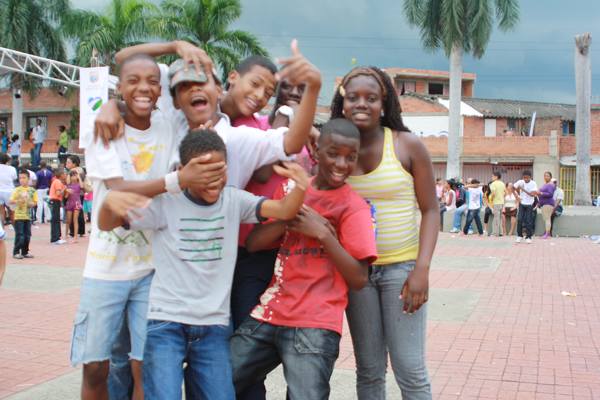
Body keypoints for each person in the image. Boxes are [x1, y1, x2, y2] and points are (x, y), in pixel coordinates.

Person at [92, 42, 321, 399]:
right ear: (174, 97)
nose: (194, 90)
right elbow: (127, 65)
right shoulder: (168, 123)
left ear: (219, 87)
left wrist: (314, 89)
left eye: (202, 83)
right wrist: (114, 103)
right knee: (125, 366)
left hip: (208, 285)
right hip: (144, 271)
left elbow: (290, 144)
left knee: (206, 376)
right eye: (184, 86)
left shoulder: (237, 140)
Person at [232, 118, 377, 399]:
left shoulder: (354, 207)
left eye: (350, 157)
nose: (341, 164)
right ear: (316, 151)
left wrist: (323, 234)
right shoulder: (291, 189)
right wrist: (289, 216)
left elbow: (360, 278)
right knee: (215, 381)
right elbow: (253, 243)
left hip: (317, 322)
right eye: (333, 154)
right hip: (271, 312)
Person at [331, 66, 438, 399]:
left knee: (410, 369)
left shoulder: (407, 145)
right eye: (353, 97)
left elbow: (431, 210)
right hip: (357, 272)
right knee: (369, 370)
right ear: (342, 103)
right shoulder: (334, 148)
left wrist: (421, 269)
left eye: (371, 98)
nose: (362, 104)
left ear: (384, 103)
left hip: (401, 271)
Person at [10, 169, 37, 259]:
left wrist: (30, 203)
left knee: (27, 235)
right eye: (20, 178)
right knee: (20, 235)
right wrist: (18, 201)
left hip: (28, 216)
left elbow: (35, 203)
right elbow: (11, 201)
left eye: (24, 178)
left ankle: (25, 251)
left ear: (28, 179)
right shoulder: (17, 190)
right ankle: (16, 252)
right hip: (18, 216)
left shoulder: (32, 190)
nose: (22, 180)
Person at [65, 155, 87, 238]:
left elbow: (68, 183)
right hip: (79, 193)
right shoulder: (81, 170)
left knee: (75, 214)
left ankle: (73, 231)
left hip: (75, 193)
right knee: (79, 213)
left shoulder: (73, 171)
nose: (66, 164)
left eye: (68, 162)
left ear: (74, 164)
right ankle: (80, 231)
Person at [514, 170, 538, 244]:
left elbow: (532, 195)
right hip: (522, 203)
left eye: (527, 178)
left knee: (528, 221)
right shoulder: (520, 182)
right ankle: (519, 236)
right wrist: (517, 197)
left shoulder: (533, 183)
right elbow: (512, 188)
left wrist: (523, 189)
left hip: (530, 204)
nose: (525, 179)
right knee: (519, 219)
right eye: (524, 177)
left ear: (530, 177)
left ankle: (528, 237)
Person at [49, 168, 67, 245]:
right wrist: (64, 189)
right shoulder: (58, 182)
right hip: (55, 200)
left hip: (55, 201)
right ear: (61, 175)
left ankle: (57, 237)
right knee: (55, 219)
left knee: (56, 219)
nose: (66, 175)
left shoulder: (56, 181)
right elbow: (58, 193)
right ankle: (55, 238)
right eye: (64, 173)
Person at [64, 171, 82, 243]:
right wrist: (68, 192)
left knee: (75, 220)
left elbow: (82, 186)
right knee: (68, 220)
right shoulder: (68, 186)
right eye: (72, 176)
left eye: (75, 176)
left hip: (77, 203)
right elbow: (66, 197)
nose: (74, 177)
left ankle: (75, 237)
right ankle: (66, 234)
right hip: (69, 203)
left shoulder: (79, 185)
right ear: (70, 177)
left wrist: (79, 177)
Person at [537, 171, 556, 239]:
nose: (546, 177)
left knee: (547, 219)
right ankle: (547, 233)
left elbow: (550, 194)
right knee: (546, 219)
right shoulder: (545, 184)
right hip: (543, 204)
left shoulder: (550, 185)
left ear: (550, 177)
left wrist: (541, 193)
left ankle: (547, 234)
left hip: (548, 204)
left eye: (547, 176)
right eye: (545, 176)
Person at [0, 153, 16, 225]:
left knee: (1, 212)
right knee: (12, 212)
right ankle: (17, 229)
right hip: (10, 192)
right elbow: (14, 178)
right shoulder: (12, 169)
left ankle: (1, 230)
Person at [489, 171, 506, 236]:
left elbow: (493, 193)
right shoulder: (502, 183)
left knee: (496, 218)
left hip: (496, 203)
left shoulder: (493, 184)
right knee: (500, 218)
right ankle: (500, 232)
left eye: (492, 176)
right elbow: (505, 193)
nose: (492, 177)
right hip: (501, 202)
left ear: (496, 177)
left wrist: (491, 198)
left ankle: (495, 233)